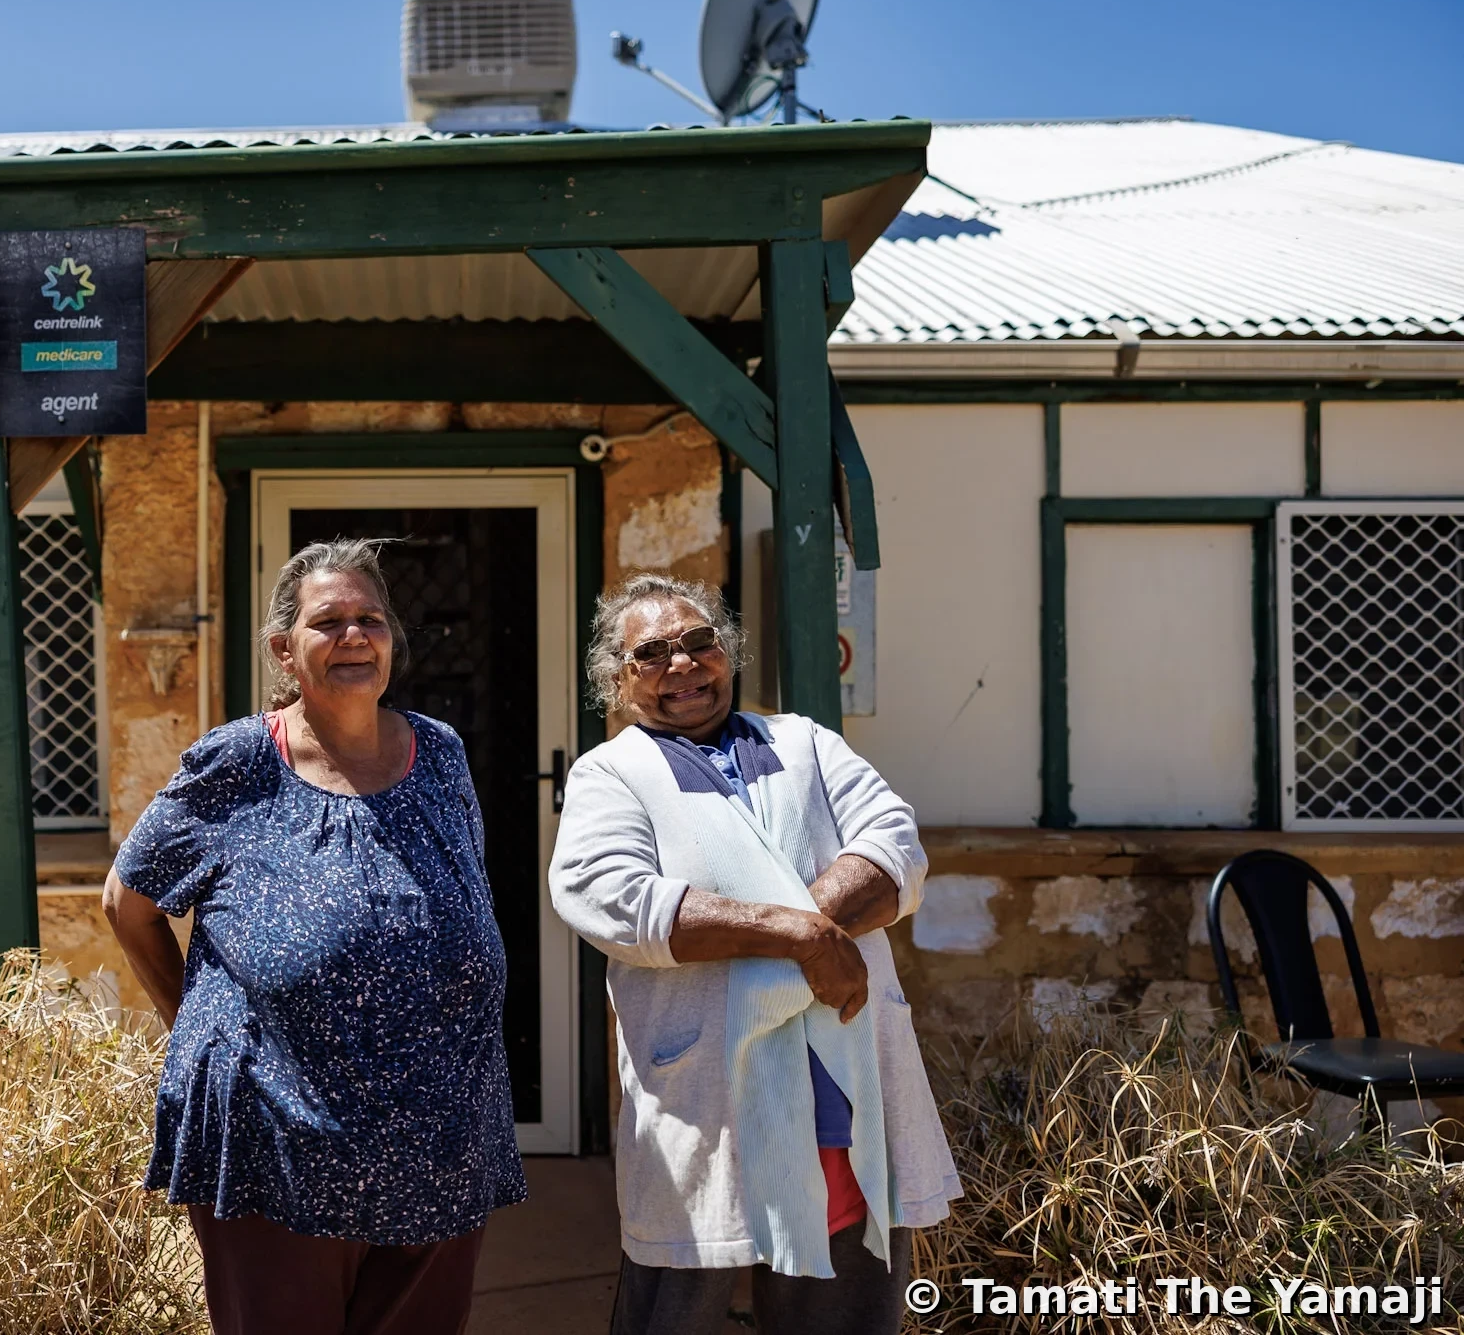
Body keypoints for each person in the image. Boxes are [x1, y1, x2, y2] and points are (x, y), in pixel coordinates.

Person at [103, 537, 526, 1335]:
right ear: (284, 651)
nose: (355, 636)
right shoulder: (235, 764)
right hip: (280, 1141)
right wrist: (196, 1029)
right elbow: (128, 900)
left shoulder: (439, 752)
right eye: (328, 622)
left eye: (371, 619)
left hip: (441, 1138)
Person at [548, 573, 959, 1335]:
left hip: (839, 1081)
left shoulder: (804, 742)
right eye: (653, 654)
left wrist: (788, 926)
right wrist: (804, 937)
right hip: (707, 1095)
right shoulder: (609, 775)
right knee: (680, 1306)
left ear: (726, 650)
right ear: (616, 677)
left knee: (842, 1307)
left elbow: (894, 847)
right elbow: (614, 899)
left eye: (701, 643)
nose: (684, 666)